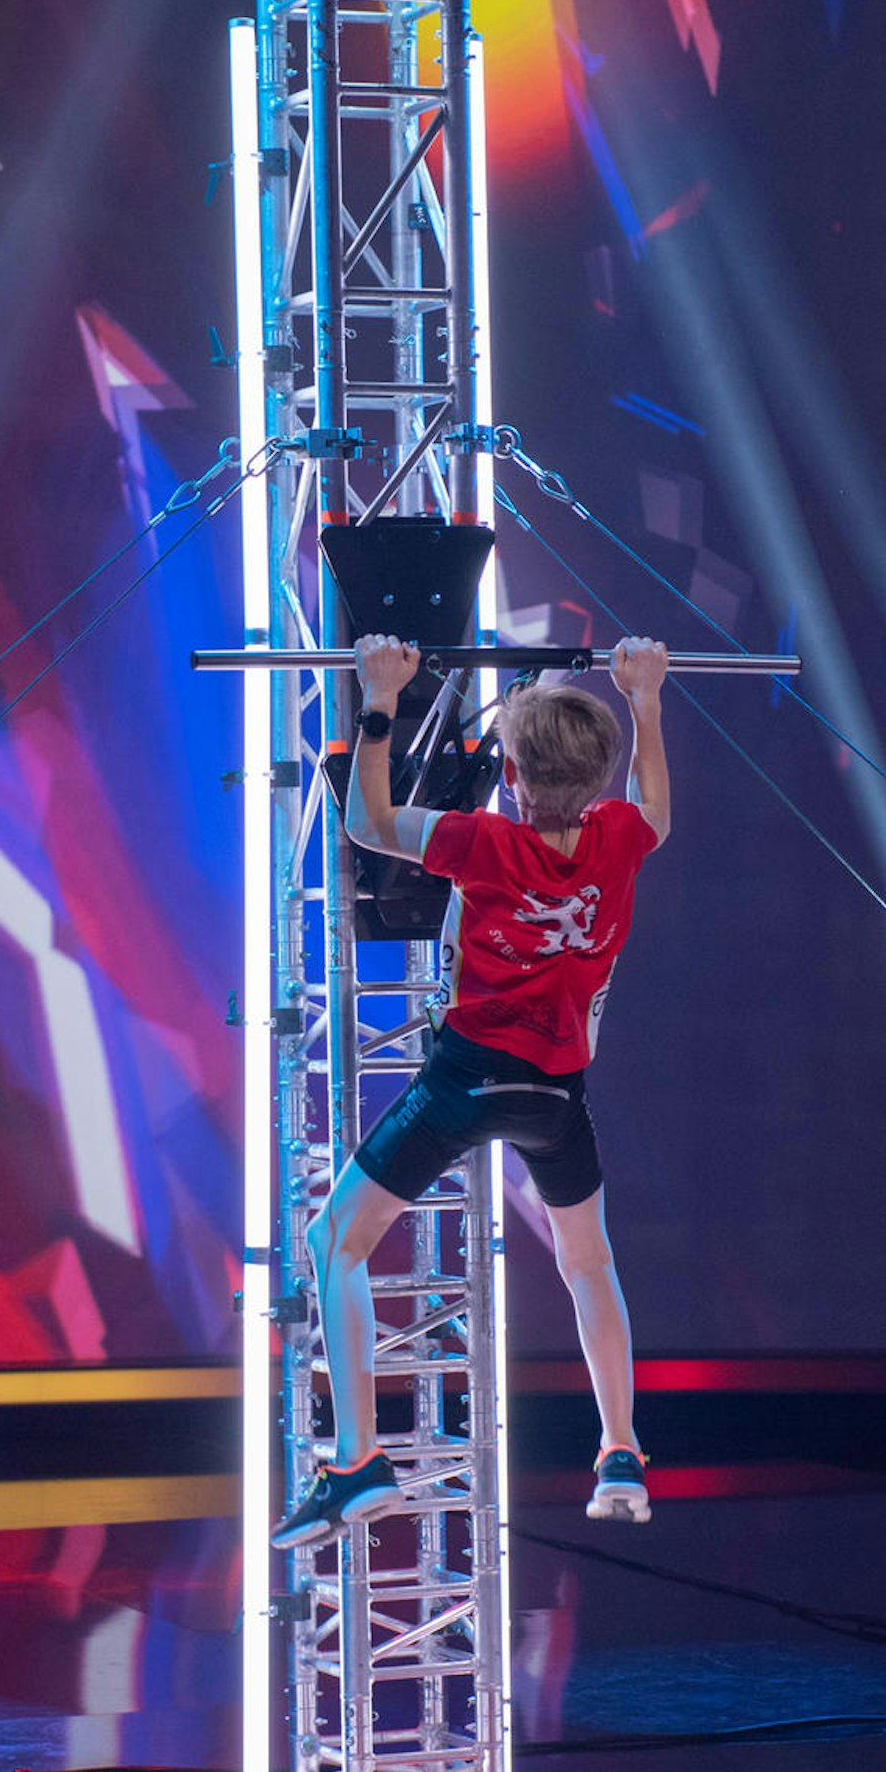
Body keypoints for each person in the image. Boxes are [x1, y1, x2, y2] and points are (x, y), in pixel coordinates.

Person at [270, 629, 672, 1549]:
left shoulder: (480, 842)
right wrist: (645, 698)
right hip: (556, 1095)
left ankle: (358, 1461)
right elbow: (656, 804)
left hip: (464, 1079)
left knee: (336, 1240)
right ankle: (619, 1450)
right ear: (594, 784)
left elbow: (368, 823)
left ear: (514, 779)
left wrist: (379, 698)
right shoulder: (620, 837)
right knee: (588, 1263)